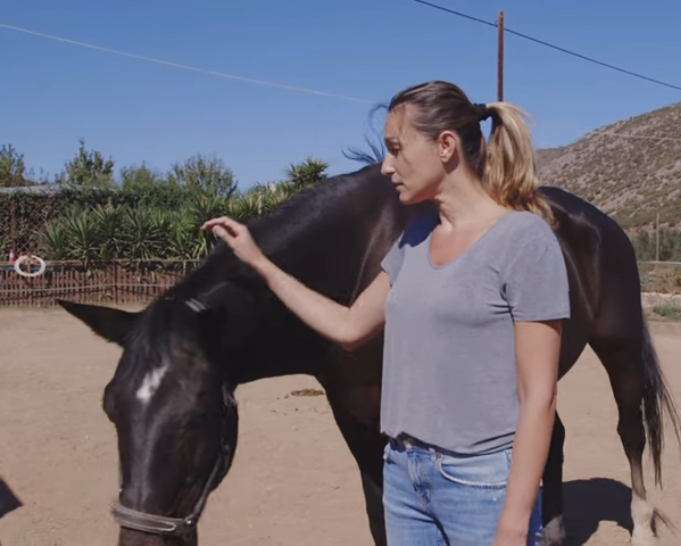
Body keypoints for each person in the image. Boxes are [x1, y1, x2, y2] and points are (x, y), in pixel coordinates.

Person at [203, 80, 570, 545]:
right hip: (402, 475)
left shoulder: (522, 240)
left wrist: (515, 523)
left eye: (396, 149)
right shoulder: (414, 239)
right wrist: (260, 263)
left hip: (480, 484)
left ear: (445, 146)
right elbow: (349, 326)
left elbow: (539, 395)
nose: (386, 166)